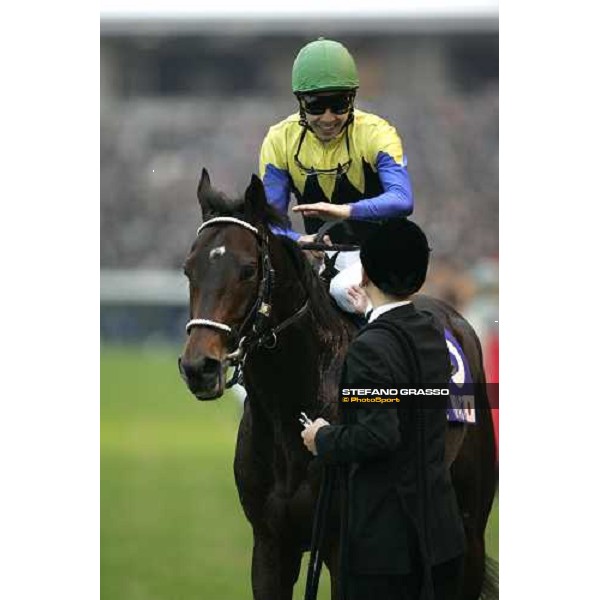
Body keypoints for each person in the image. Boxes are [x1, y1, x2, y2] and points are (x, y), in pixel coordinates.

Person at [301, 219, 466, 600]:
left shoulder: (371, 349)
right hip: (441, 538)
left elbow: (379, 434)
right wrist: (369, 317)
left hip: (388, 554)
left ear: (365, 273)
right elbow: (403, 392)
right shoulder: (430, 330)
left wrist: (322, 437)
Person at [259, 38, 414, 313]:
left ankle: (383, 339)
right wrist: (299, 241)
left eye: (339, 104)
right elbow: (271, 222)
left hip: (383, 258)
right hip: (324, 260)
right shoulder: (278, 139)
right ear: (300, 102)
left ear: (352, 99)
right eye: (317, 106)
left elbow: (402, 200)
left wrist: (344, 211)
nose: (328, 117)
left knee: (344, 288)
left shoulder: (378, 132)